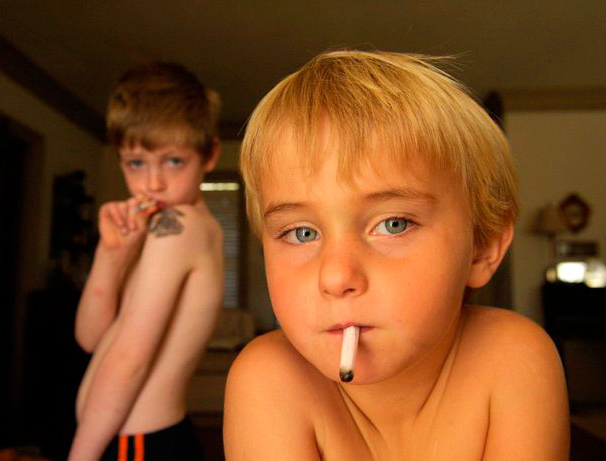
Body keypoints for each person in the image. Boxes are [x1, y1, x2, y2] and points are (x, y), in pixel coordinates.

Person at [224, 50, 569, 460]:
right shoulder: (267, 379)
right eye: (302, 232)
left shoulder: (515, 357)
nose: (335, 277)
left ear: (483, 244)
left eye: (393, 224)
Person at [69, 61, 224, 461]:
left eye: (174, 161)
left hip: (138, 444)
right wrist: (112, 254)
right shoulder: (159, 228)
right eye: (136, 163)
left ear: (209, 156)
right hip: (132, 439)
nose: (153, 183)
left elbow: (128, 360)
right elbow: (91, 338)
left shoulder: (180, 227)